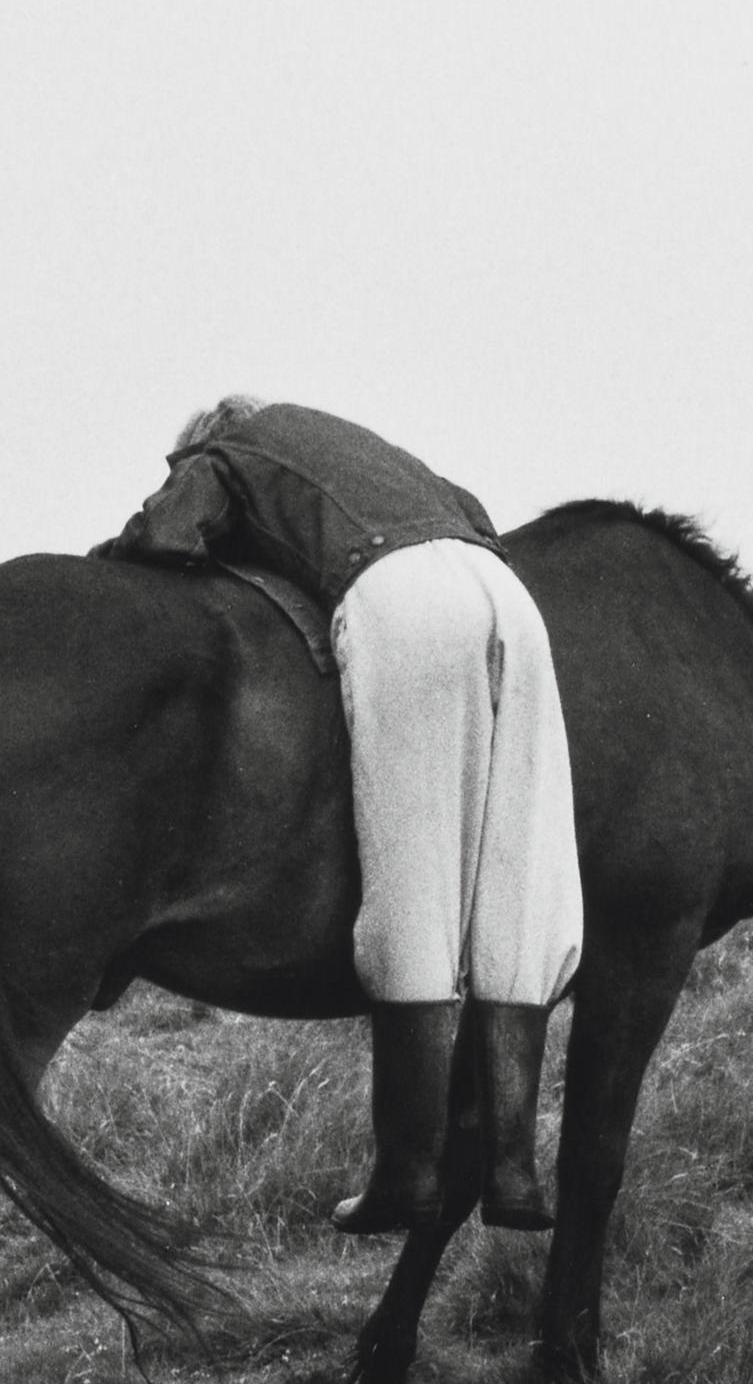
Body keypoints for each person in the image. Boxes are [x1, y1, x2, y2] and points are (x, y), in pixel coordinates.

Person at [99, 396, 583, 1234]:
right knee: (518, 880)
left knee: (415, 870)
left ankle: (408, 1173)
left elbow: (168, 536)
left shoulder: (229, 449)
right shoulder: (372, 452)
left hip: (399, 597)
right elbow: (477, 513)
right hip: (506, 597)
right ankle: (512, 1173)